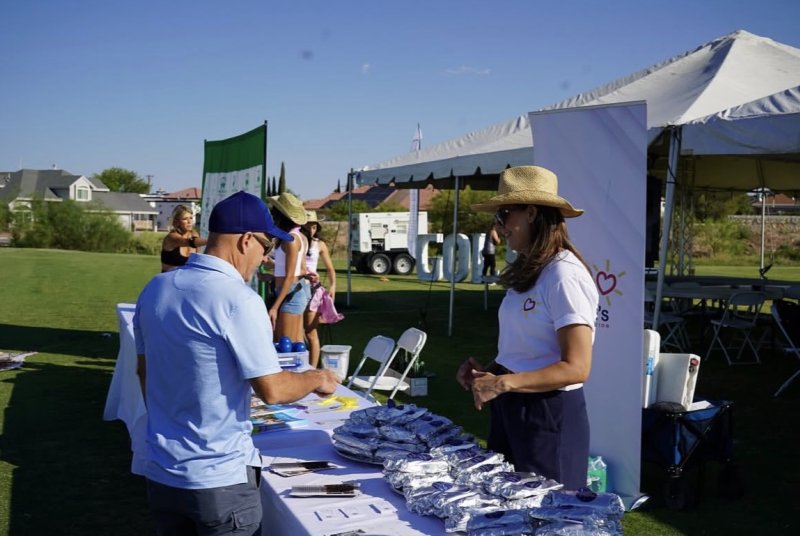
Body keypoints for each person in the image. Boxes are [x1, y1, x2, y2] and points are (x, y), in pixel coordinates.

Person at [134, 191, 340, 535]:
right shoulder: (239, 299)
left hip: (162, 471)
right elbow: (272, 389)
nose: (265, 258)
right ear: (246, 240)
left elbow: (144, 373)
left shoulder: (156, 288)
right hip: (219, 480)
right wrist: (316, 378)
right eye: (266, 246)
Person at [456, 165, 599, 490]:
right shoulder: (531, 269)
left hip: (547, 413)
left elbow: (577, 367)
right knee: (506, 506)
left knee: (545, 514)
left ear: (532, 212)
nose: (500, 226)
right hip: (515, 407)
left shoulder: (564, 275)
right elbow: (527, 348)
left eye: (504, 214)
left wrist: (504, 383)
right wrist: (490, 372)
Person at [266, 192, 310, 344]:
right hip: (289, 292)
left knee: (286, 346)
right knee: (291, 346)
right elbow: (300, 269)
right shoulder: (293, 237)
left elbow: (291, 275)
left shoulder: (291, 240)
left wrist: (274, 307)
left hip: (289, 294)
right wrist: (272, 274)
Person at [302, 210, 337, 368]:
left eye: (314, 226)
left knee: (310, 331)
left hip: (313, 289)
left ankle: (313, 369)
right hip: (296, 288)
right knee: (296, 332)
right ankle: (302, 366)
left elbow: (330, 268)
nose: (312, 229)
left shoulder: (319, 244)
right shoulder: (297, 240)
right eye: (309, 226)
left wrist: (333, 286)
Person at [160, 205, 207, 272]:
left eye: (191, 218)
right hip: (169, 280)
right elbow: (190, 242)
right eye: (185, 219)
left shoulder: (194, 234)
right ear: (176, 222)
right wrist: (212, 240)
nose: (189, 222)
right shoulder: (172, 238)